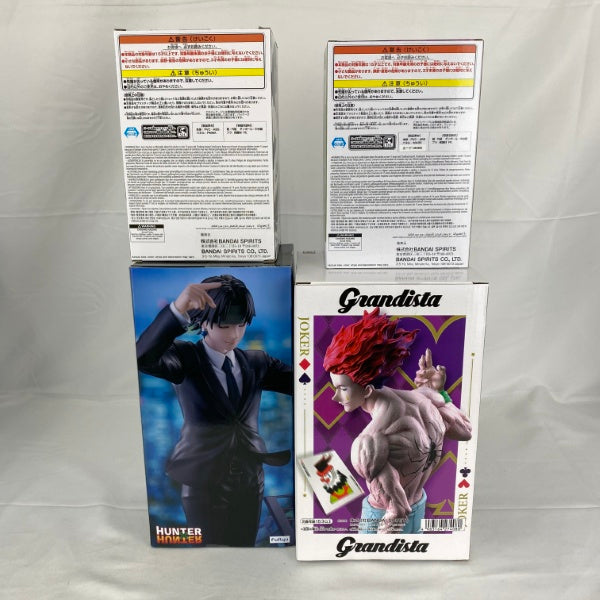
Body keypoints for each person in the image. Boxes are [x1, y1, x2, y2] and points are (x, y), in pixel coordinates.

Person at [136, 274, 292, 546]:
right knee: (211, 553)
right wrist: (178, 309)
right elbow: (143, 357)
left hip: (250, 480)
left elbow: (304, 382)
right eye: (224, 325)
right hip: (203, 483)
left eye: (241, 324)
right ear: (204, 322)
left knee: (245, 549)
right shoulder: (186, 358)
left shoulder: (257, 362)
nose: (234, 335)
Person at [323, 308, 472, 534]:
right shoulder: (426, 398)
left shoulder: (369, 442)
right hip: (418, 509)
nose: (336, 397)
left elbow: (397, 511)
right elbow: (465, 431)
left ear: (368, 389)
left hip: (382, 522)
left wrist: (372, 551)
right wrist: (440, 393)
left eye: (343, 389)